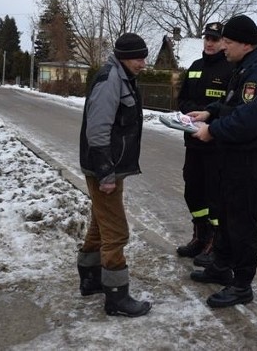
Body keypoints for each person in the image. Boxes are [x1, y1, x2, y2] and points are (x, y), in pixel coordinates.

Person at [187, 15, 257, 308]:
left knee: (242, 222)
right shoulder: (246, 66)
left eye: (228, 42)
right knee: (228, 217)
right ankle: (221, 267)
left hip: (250, 161)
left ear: (245, 43)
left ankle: (242, 284)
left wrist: (213, 130)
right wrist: (210, 113)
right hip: (233, 157)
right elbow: (233, 103)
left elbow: (248, 119)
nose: (223, 47)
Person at [77, 32, 152, 317]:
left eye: (144, 57)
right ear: (123, 57)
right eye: (138, 57)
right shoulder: (110, 80)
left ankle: (90, 279)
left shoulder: (122, 78)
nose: (143, 63)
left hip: (109, 168)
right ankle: (117, 298)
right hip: (103, 169)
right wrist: (106, 172)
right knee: (116, 232)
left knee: (100, 225)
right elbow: (97, 130)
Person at [175, 22, 233, 267]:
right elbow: (183, 98)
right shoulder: (196, 67)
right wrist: (190, 113)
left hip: (216, 145)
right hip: (193, 142)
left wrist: (209, 119)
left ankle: (215, 243)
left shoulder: (231, 69)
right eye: (207, 38)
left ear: (223, 42)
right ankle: (200, 236)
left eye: (215, 39)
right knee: (193, 190)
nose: (209, 43)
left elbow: (230, 108)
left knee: (215, 196)